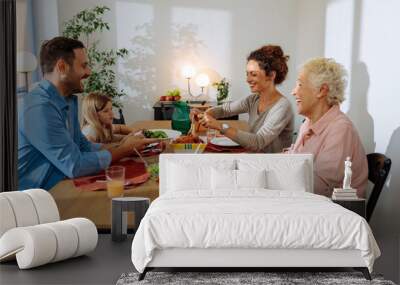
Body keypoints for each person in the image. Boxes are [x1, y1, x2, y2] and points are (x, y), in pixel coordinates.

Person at [18, 37, 159, 190]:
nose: (89, 72)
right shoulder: (40, 107)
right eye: (84, 66)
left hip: (59, 187)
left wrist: (123, 145)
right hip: (33, 199)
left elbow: (82, 146)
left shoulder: (67, 100)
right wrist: (123, 150)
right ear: (62, 67)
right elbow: (75, 165)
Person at [287, 57, 368, 197]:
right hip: (308, 203)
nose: (293, 92)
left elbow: (319, 188)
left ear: (321, 90)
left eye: (300, 85)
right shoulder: (308, 122)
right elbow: (293, 161)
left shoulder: (341, 129)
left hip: (334, 213)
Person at [195, 45, 294, 153]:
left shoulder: (283, 107)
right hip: (255, 161)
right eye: (247, 74)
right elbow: (224, 109)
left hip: (273, 166)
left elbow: (258, 142)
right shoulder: (253, 100)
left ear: (271, 75)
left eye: (253, 74)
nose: (248, 79)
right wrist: (206, 114)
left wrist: (220, 126)